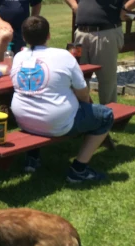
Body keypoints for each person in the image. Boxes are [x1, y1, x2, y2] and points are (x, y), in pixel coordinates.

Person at [11, 16, 114, 183]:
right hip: (57, 123)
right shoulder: (64, 56)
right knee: (105, 115)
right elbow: (82, 93)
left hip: (23, 119)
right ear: (49, 35)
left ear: (23, 37)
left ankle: (33, 157)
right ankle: (79, 170)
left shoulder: (18, 57)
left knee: (37, 99)